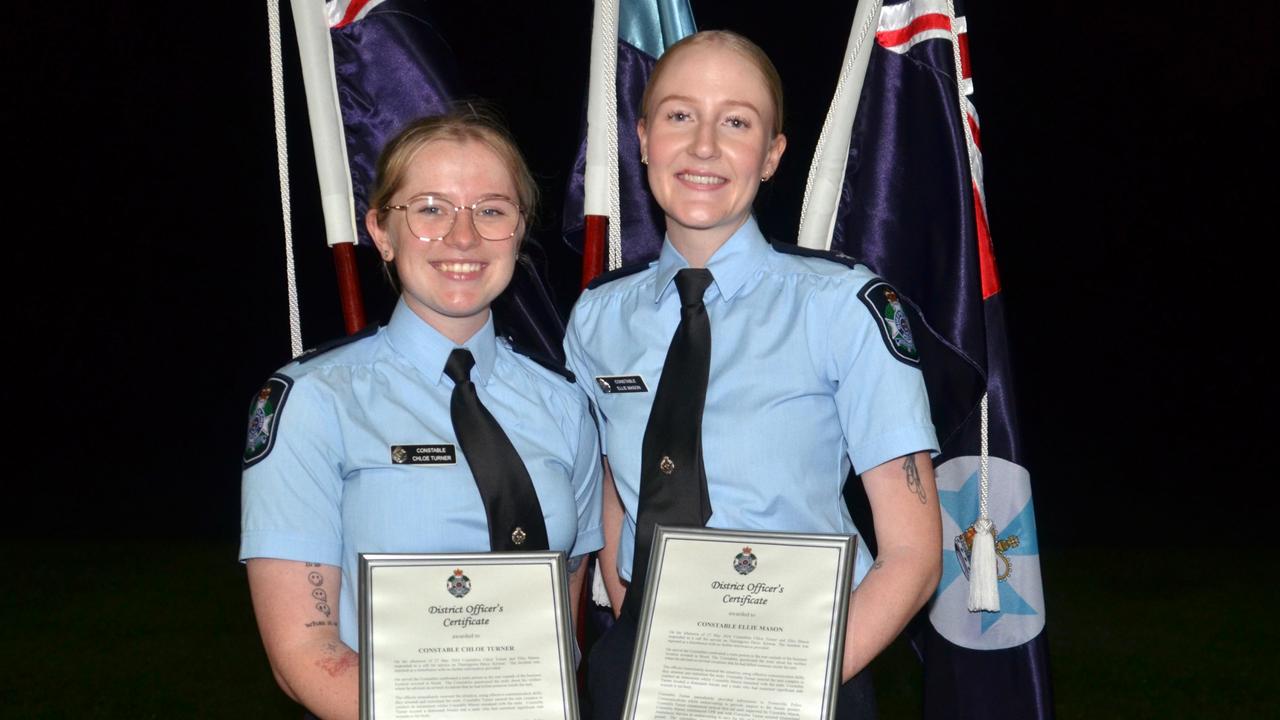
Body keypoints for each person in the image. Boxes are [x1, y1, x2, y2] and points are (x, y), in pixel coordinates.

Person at [564, 31, 942, 719]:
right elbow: (618, 490)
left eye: (736, 122)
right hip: (642, 672)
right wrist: (636, 626)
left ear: (771, 156)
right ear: (643, 137)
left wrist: (792, 684)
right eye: (680, 115)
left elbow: (914, 557)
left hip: (806, 671)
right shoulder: (598, 317)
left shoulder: (841, 308)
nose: (704, 145)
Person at [240, 109, 603, 720]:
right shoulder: (315, 401)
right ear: (381, 230)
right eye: (431, 208)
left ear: (518, 231)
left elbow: (565, 608)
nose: (463, 237)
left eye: (491, 210)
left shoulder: (565, 406)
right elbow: (303, 653)